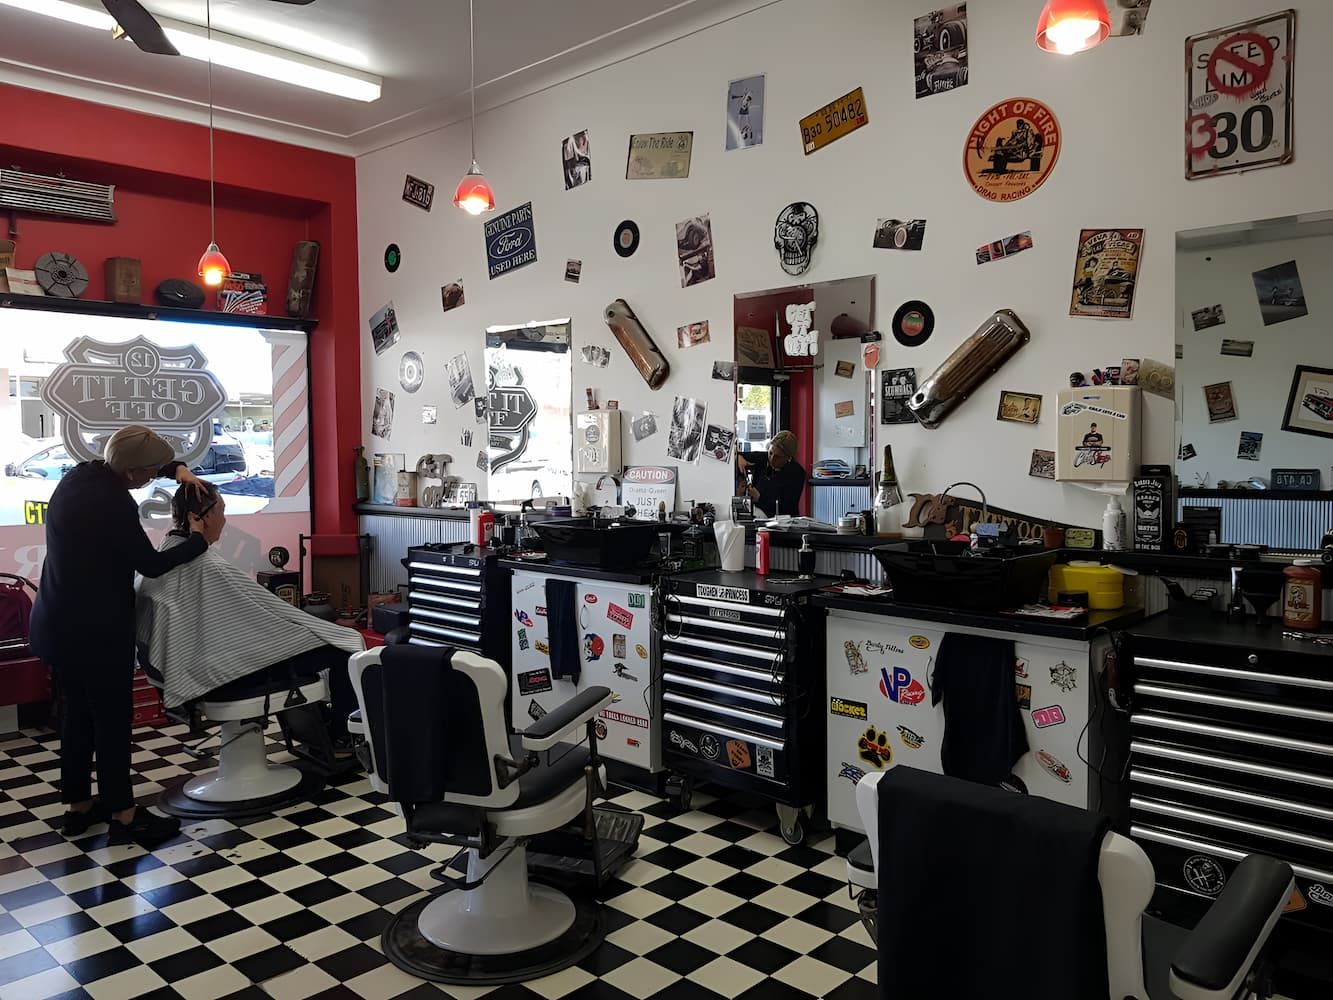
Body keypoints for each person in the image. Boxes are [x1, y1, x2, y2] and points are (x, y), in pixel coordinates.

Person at [29, 425, 211, 846]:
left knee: (77, 717)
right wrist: (198, 542)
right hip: (95, 630)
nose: (151, 478)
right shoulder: (110, 503)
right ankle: (124, 817)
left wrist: (177, 469)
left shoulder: (79, 477)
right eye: (148, 474)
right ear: (132, 475)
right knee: (111, 723)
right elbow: (150, 563)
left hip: (58, 622)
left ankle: (77, 808)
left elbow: (135, 456)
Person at [136, 483, 363, 746]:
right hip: (224, 676)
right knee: (345, 647)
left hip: (193, 669)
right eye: (222, 510)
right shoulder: (204, 566)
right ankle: (342, 738)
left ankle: (321, 734)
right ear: (202, 517)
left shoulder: (167, 553)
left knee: (312, 642)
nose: (224, 519)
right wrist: (322, 629)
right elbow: (265, 615)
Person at [737, 430, 805, 517]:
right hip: (757, 515)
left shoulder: (796, 474)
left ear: (788, 458)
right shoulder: (764, 458)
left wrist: (760, 498)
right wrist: (739, 458)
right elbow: (738, 455)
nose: (772, 459)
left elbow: (787, 508)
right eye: (770, 453)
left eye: (777, 457)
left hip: (782, 521)